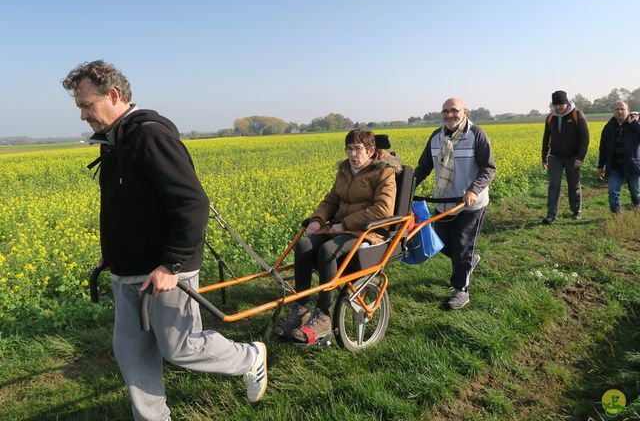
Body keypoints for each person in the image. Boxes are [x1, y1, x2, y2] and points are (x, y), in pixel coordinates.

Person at [63, 60, 267, 421]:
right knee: (131, 352)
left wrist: (171, 264)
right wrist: (110, 252)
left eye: (85, 105)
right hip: (127, 270)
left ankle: (250, 357)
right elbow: (121, 205)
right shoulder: (114, 141)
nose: (82, 115)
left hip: (164, 269)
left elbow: (192, 204)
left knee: (181, 347)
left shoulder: (149, 135)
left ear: (112, 95)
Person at [275, 129, 400, 344]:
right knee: (304, 245)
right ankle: (301, 308)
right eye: (349, 149)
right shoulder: (345, 171)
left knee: (327, 250)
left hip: (367, 231)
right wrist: (317, 220)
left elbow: (383, 210)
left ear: (370, 150)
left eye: (358, 149)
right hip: (339, 228)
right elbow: (331, 200)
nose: (352, 154)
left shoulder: (384, 172)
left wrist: (345, 224)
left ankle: (323, 314)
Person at [414, 97, 496, 310]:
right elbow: (424, 167)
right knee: (441, 244)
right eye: (445, 111)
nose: (449, 115)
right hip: (444, 202)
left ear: (465, 112)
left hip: (470, 203)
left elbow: (489, 168)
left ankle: (461, 290)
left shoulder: (476, 135)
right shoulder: (435, 137)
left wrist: (473, 189)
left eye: (454, 110)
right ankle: (469, 259)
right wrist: (406, 188)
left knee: (461, 244)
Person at [541, 90, 590, 223]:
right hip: (555, 157)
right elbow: (546, 138)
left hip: (573, 157)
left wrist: (580, 157)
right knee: (553, 185)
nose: (558, 108)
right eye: (555, 105)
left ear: (566, 102)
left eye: (560, 105)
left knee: (573, 185)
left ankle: (576, 211)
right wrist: (544, 157)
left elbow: (585, 138)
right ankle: (551, 215)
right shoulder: (550, 117)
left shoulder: (577, 115)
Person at [597, 101, 640, 213]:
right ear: (613, 112)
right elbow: (603, 148)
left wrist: (634, 123)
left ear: (628, 110)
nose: (620, 111)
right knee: (613, 192)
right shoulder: (608, 127)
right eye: (617, 109)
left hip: (633, 166)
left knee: (636, 194)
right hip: (614, 167)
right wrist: (600, 166)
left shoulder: (635, 125)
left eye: (622, 109)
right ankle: (616, 216)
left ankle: (637, 213)